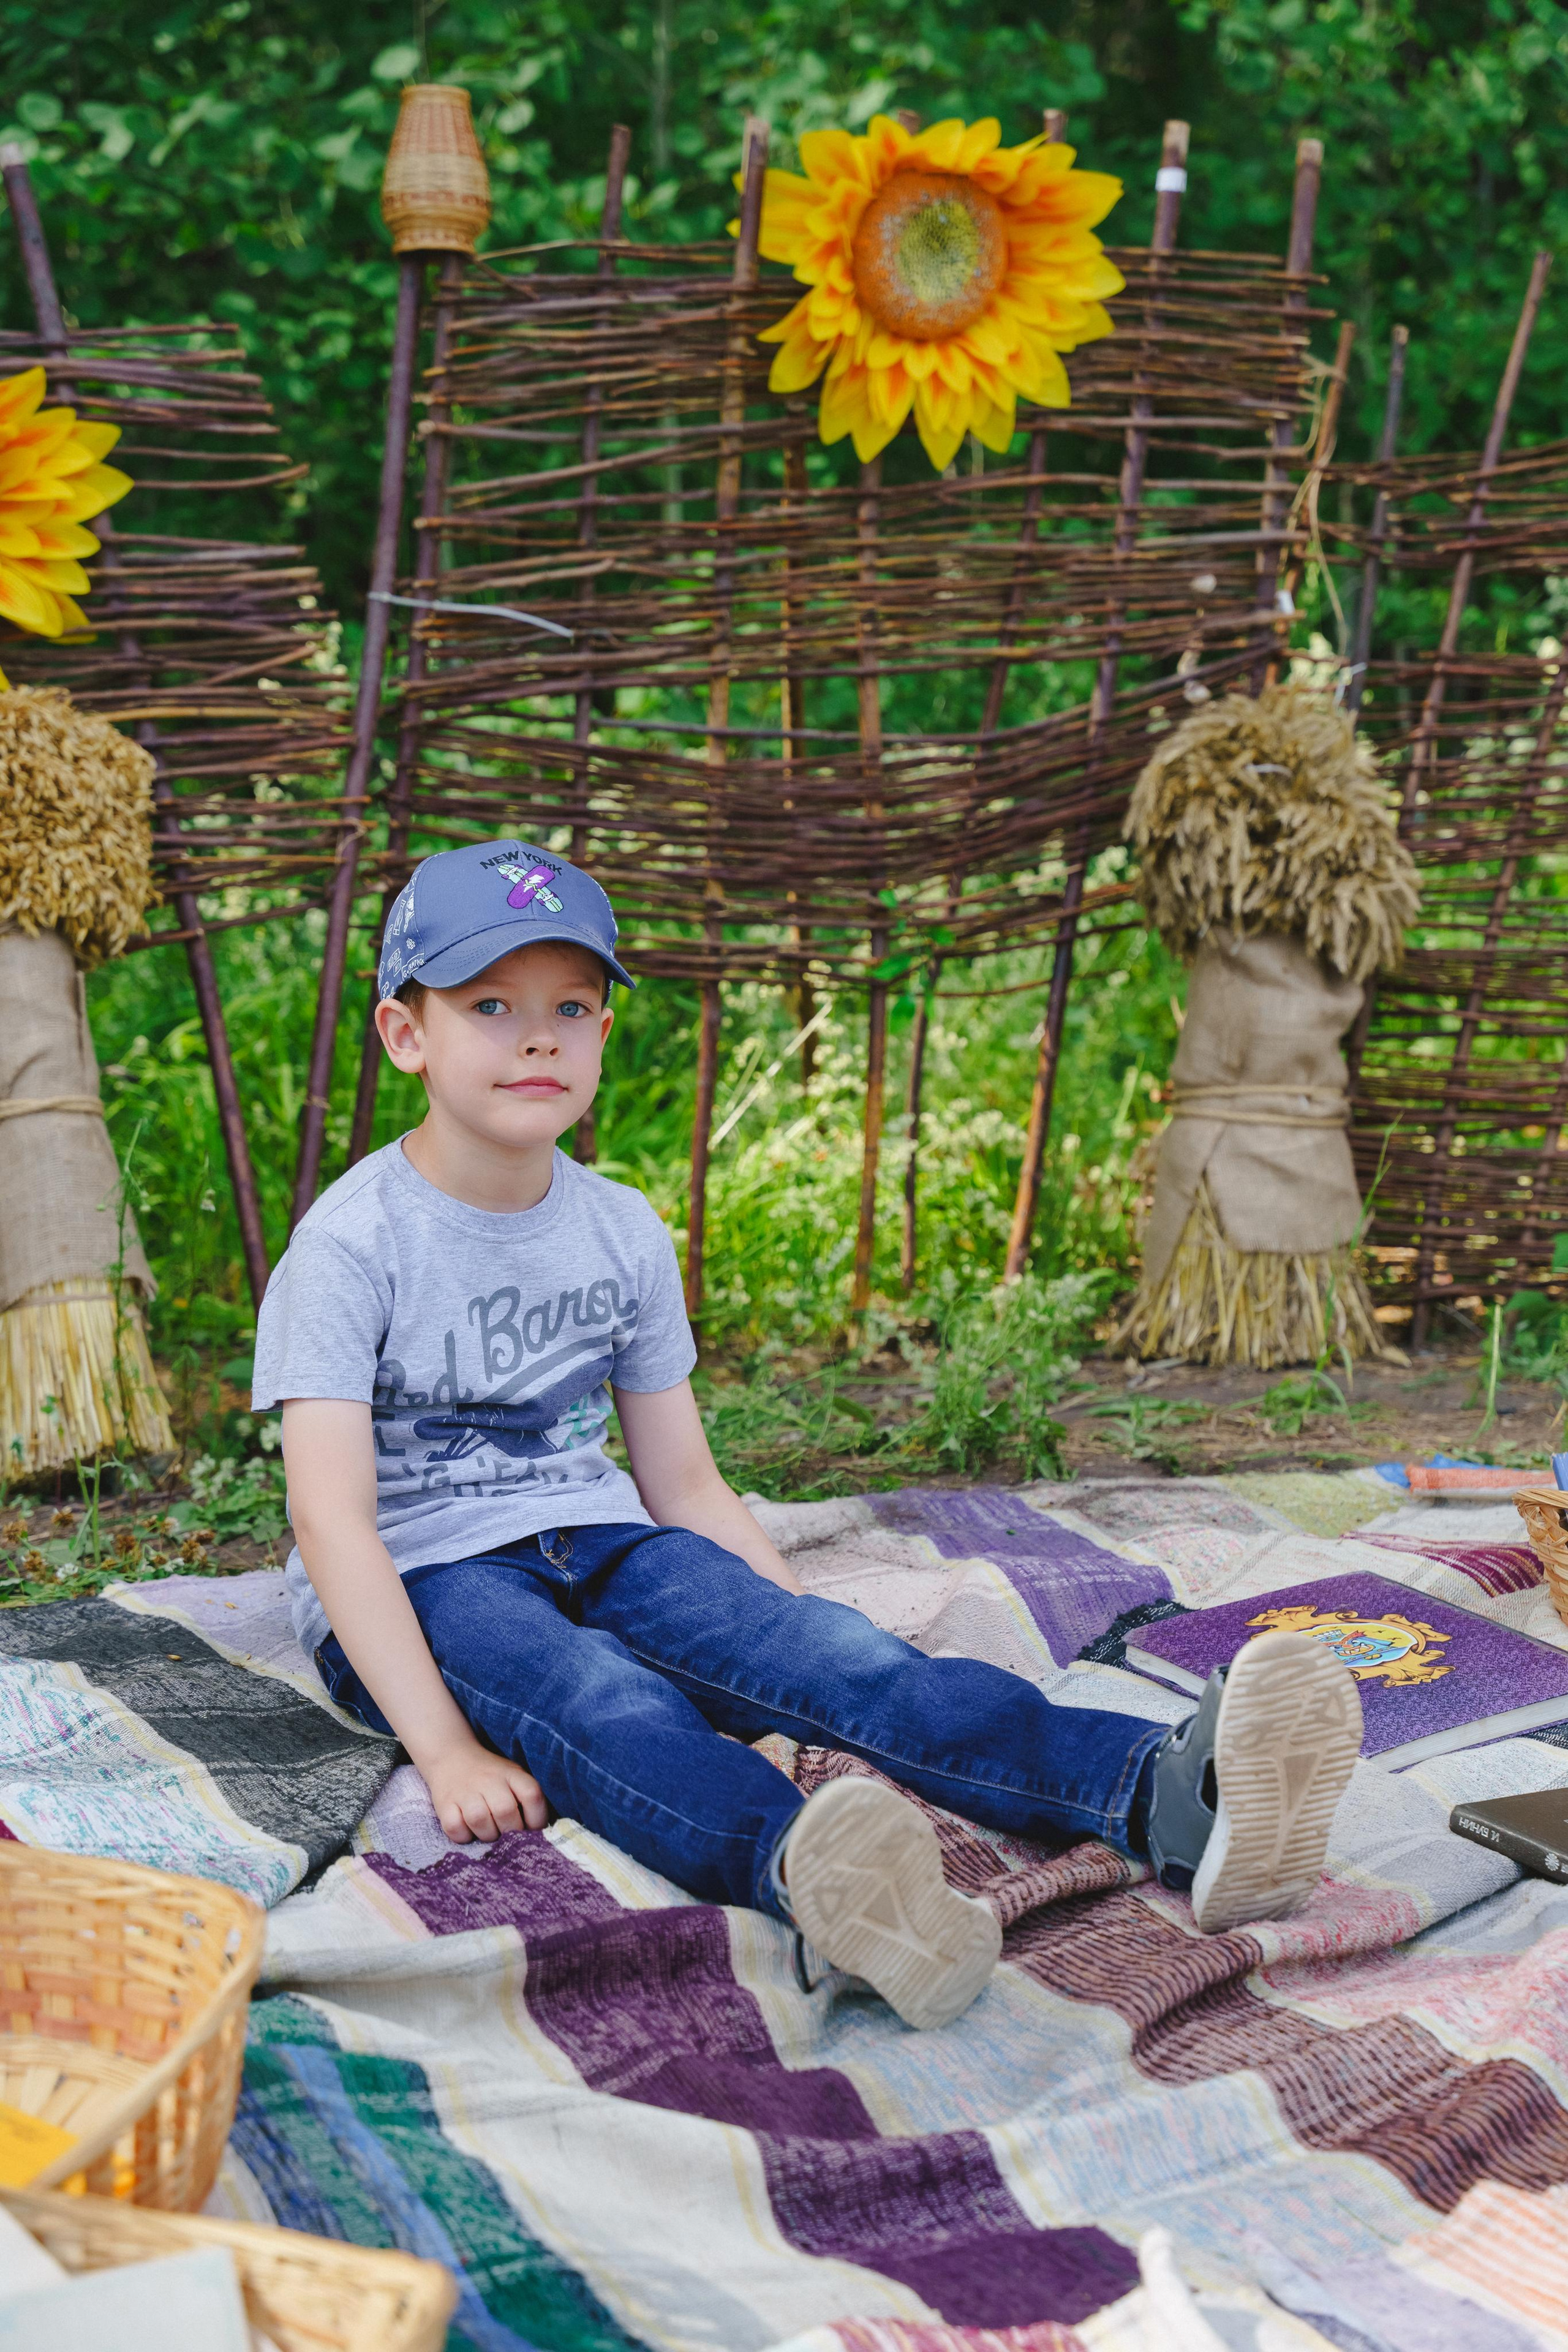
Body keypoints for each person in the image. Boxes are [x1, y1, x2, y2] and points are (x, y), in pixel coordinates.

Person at [255, 839, 1364, 2032]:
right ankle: (817, 1881)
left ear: (600, 1033)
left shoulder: (618, 1228)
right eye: (489, 1006)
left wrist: (787, 1641)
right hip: (424, 1577)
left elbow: (680, 1475)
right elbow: (331, 1520)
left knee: (845, 1663)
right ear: (404, 1034)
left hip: (599, 1537)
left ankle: (1164, 1796)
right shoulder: (353, 1244)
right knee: (602, 1705)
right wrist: (442, 1748)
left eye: (569, 1006)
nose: (537, 1037)